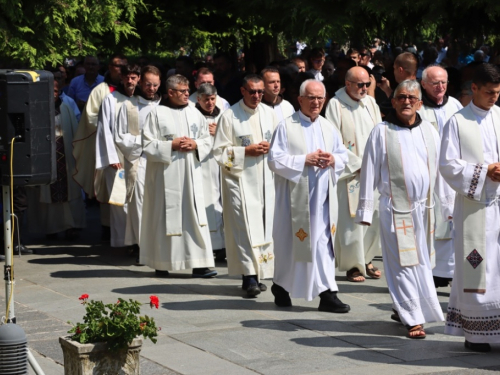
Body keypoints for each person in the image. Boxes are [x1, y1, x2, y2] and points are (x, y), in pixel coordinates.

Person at [356, 80, 446, 339]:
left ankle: (404, 307)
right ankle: (412, 318)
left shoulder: (429, 130)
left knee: (422, 262)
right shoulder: (381, 132)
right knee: (402, 263)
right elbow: (369, 172)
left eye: (412, 97)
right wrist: (365, 211)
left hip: (425, 208)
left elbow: (439, 171)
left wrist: (447, 206)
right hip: (396, 208)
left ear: (419, 103)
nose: (407, 101)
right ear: (393, 101)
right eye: (401, 97)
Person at [268, 79, 350, 313]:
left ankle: (327, 293)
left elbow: (343, 155)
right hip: (294, 201)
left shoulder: (328, 127)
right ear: (300, 99)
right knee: (291, 243)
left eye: (320, 98)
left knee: (323, 244)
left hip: (322, 199)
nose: (316, 103)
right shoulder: (286, 126)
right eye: (311, 98)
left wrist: (333, 160)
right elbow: (274, 160)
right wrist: (304, 160)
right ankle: (281, 286)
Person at [440, 63, 500, 352]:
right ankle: (477, 333)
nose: (494, 98)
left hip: (499, 205)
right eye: (489, 92)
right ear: (473, 88)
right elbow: (448, 165)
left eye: (498, 92)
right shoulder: (458, 122)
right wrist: (484, 171)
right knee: (476, 264)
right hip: (475, 207)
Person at [140, 74, 217, 278]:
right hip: (165, 175)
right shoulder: (156, 114)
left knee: (193, 216)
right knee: (165, 215)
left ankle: (199, 264)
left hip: (191, 174)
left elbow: (206, 140)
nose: (187, 95)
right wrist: (170, 145)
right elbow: (147, 145)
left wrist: (196, 144)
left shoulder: (195, 114)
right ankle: (162, 262)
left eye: (187, 91)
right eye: (183, 91)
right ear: (171, 92)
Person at [213, 74, 277, 296]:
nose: (257, 96)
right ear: (242, 91)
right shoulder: (229, 116)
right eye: (252, 92)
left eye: (261, 92)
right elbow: (219, 153)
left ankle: (261, 272)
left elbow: (281, 145)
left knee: (265, 225)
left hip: (267, 182)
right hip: (240, 182)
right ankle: (248, 276)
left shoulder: (271, 114)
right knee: (244, 228)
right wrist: (245, 152)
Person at [325, 66, 382, 282]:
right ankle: (352, 266)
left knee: (373, 216)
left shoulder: (370, 103)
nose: (365, 88)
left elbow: (380, 131)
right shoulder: (335, 104)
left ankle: (366, 259)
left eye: (367, 84)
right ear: (347, 84)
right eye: (360, 85)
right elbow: (334, 140)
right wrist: (359, 164)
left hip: (374, 170)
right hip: (352, 173)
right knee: (352, 220)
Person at [72, 53, 127, 242]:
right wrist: (110, 128)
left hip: (129, 149)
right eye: (115, 66)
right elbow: (90, 116)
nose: (119, 70)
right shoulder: (100, 90)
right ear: (109, 67)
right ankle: (107, 226)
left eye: (122, 66)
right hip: (107, 147)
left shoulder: (132, 89)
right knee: (107, 186)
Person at [418, 65, 463, 287]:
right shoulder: (417, 108)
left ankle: (452, 271)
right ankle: (435, 271)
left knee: (454, 220)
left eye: (443, 82)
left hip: (454, 173)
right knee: (434, 220)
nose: (440, 87)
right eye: (435, 83)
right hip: (431, 174)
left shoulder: (454, 105)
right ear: (424, 83)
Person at [28, 78, 85, 239]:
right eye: (49, 90)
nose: (52, 94)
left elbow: (75, 131)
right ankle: (51, 228)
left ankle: (71, 226)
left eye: (55, 91)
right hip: (46, 160)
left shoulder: (66, 107)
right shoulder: (37, 108)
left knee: (70, 192)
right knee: (47, 192)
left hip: (66, 158)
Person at [115, 66, 161, 263]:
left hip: (162, 161)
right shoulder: (129, 106)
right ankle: (144, 247)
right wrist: (144, 142)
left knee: (160, 204)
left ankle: (160, 246)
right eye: (148, 84)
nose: (151, 88)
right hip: (140, 160)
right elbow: (120, 136)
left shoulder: (165, 106)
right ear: (141, 82)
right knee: (141, 204)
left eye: (155, 85)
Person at [95, 64, 141, 249]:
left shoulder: (141, 99)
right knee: (120, 202)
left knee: (138, 200)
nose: (130, 81)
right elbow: (104, 130)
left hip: (138, 157)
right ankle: (124, 242)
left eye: (134, 77)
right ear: (121, 78)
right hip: (118, 159)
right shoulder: (110, 100)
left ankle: (138, 240)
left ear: (139, 79)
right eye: (127, 77)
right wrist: (111, 157)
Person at [194, 83, 226, 260]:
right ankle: (210, 245)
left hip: (219, 165)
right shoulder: (193, 115)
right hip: (202, 165)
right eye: (206, 99)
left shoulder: (222, 115)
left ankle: (222, 245)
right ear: (198, 99)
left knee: (221, 203)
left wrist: (219, 132)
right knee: (207, 202)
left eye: (213, 99)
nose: (210, 103)